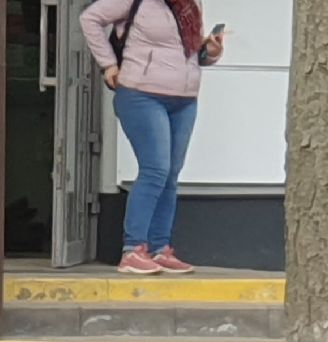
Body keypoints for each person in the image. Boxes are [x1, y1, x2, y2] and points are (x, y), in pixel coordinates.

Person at [81, 0, 224, 275]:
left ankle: (159, 248)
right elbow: (90, 19)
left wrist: (210, 53)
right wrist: (109, 65)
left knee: (170, 173)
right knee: (155, 169)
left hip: (184, 99)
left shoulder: (191, 3)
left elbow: (190, 52)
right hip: (141, 94)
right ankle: (132, 249)